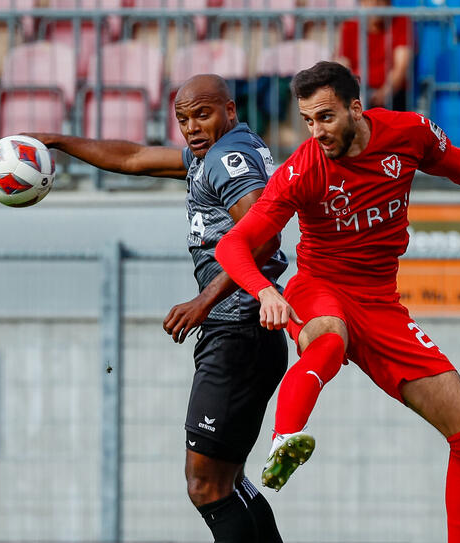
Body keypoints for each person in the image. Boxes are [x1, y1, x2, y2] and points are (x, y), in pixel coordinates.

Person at [214, 61, 460, 542]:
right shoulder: (302, 169)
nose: (317, 131)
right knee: (329, 341)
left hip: (380, 305)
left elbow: (459, 164)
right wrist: (266, 290)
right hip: (319, 288)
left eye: (326, 117)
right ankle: (284, 440)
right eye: (308, 120)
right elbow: (231, 245)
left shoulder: (408, 132)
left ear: (356, 108)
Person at [24, 74, 289, 543]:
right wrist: (57, 140)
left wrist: (203, 302)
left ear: (230, 110)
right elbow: (133, 157)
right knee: (225, 482)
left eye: (202, 114)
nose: (191, 127)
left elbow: (264, 239)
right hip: (242, 331)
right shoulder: (215, 153)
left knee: (207, 487)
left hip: (239, 328)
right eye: (182, 119)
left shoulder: (229, 159)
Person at [335, 0, 412, 110]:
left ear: (388, 4)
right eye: (369, 2)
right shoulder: (350, 27)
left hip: (393, 93)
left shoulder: (401, 22)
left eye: (380, 2)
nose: (375, 6)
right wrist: (354, 92)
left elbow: (401, 67)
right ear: (361, 4)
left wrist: (385, 92)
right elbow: (343, 64)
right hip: (357, 91)